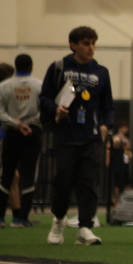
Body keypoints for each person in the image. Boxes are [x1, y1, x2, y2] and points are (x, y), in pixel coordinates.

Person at [39, 26, 115, 246]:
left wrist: (106, 125)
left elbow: (108, 105)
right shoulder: (59, 67)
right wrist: (55, 109)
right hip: (65, 136)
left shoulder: (101, 72)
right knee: (63, 182)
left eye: (93, 43)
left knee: (89, 183)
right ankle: (58, 220)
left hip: (91, 137)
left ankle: (85, 228)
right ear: (73, 45)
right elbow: (44, 97)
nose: (91, 48)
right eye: (85, 43)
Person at [0, 54, 43, 227]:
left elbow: (0, 113)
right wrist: (29, 123)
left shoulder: (4, 86)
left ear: (16, 66)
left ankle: (0, 217)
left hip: (11, 134)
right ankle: (21, 218)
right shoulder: (39, 85)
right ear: (31, 67)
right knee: (29, 174)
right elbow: (44, 111)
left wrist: (16, 124)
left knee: (7, 174)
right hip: (32, 133)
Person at [108, 121, 132, 207]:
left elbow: (128, 150)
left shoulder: (126, 139)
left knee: (127, 182)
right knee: (117, 182)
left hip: (125, 162)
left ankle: (127, 200)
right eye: (125, 128)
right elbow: (111, 145)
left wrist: (132, 158)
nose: (127, 130)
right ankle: (116, 200)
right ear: (121, 128)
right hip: (118, 163)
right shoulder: (115, 138)